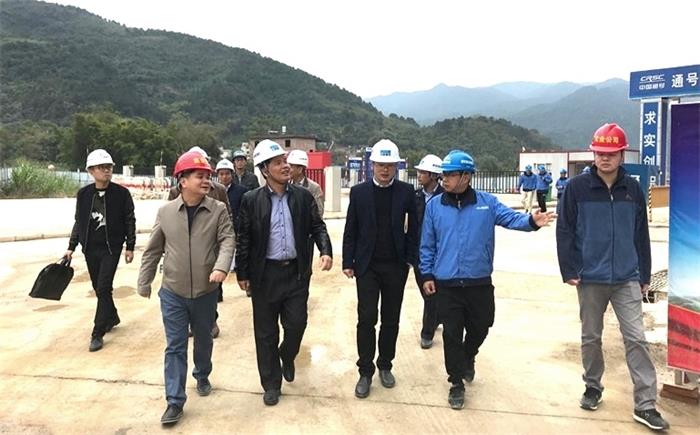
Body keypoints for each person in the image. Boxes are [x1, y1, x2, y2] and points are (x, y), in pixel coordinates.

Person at [420, 150, 555, 410]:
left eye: (450, 174)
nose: (444, 179)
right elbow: (427, 244)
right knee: (451, 334)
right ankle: (456, 383)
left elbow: (512, 218)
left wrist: (532, 221)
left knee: (482, 325)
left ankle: (469, 354)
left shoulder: (487, 203)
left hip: (478, 282)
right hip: (447, 283)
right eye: (443, 174)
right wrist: (426, 273)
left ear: (467, 176)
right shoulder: (434, 206)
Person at [556, 123, 670, 431]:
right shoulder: (577, 188)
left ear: (622, 155)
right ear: (593, 154)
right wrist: (569, 269)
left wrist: (644, 272)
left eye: (611, 153)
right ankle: (592, 386)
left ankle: (645, 404)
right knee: (591, 336)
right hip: (590, 277)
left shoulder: (631, 189)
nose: (604, 158)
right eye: (600, 153)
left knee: (636, 338)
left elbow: (640, 233)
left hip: (626, 277)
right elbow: (565, 229)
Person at [137, 151, 234, 425]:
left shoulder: (218, 209)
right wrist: (144, 281)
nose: (206, 181)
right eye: (199, 176)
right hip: (172, 292)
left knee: (203, 339)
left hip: (205, 291)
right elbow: (153, 249)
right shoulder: (166, 212)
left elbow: (228, 240)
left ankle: (202, 374)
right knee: (175, 346)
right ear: (182, 181)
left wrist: (221, 267)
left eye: (207, 176)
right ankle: (174, 401)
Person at [236, 140, 332, 406]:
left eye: (285, 161)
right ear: (264, 169)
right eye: (278, 163)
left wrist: (325, 250)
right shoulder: (251, 200)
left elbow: (318, 226)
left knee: (296, 324)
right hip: (264, 275)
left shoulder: (302, 197)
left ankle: (287, 355)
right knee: (265, 332)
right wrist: (242, 273)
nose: (285, 166)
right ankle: (271, 384)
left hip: (296, 274)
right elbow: (244, 238)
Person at [342, 139, 418, 399]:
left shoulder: (406, 192)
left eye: (390, 165)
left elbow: (414, 229)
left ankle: (385, 365)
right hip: (367, 266)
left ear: (396, 166)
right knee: (366, 318)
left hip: (395, 265)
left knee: (391, 318)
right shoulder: (359, 192)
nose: (385, 170)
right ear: (372, 165)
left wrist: (410, 258)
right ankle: (365, 371)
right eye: (381, 165)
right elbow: (351, 229)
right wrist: (348, 261)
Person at [65, 149, 135, 353]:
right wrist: (71, 247)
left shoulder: (121, 194)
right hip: (90, 248)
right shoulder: (84, 195)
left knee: (104, 287)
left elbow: (129, 220)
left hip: (111, 248)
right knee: (98, 288)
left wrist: (130, 246)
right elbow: (79, 222)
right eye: (102, 167)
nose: (107, 170)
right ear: (91, 171)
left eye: (109, 167)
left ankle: (97, 332)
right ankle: (111, 316)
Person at [169, 146, 231, 337]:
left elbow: (227, 215)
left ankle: (211, 320)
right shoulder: (175, 192)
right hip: (187, 246)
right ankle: (191, 321)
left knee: (210, 286)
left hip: (211, 246)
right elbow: (171, 218)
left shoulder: (218, 190)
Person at [412, 153, 444, 349]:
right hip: (419, 252)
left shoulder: (445, 197)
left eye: (423, 172)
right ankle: (436, 316)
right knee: (426, 291)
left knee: (432, 294)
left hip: (440, 253)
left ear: (433, 175)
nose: (419, 175)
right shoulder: (414, 197)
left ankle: (427, 332)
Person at [288, 149, 325, 217]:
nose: (288, 169)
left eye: (291, 166)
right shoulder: (285, 187)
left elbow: (318, 213)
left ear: (300, 169)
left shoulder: (314, 188)